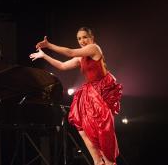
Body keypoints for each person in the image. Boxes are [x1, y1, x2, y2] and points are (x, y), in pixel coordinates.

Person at [29, 27, 122, 165]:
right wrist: (44, 56)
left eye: (85, 37)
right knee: (82, 128)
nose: (82, 41)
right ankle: (97, 161)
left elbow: (70, 52)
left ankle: (108, 162)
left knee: (102, 131)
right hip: (89, 93)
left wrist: (49, 45)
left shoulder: (94, 48)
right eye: (79, 38)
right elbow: (62, 65)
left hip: (100, 93)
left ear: (92, 38)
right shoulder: (81, 57)